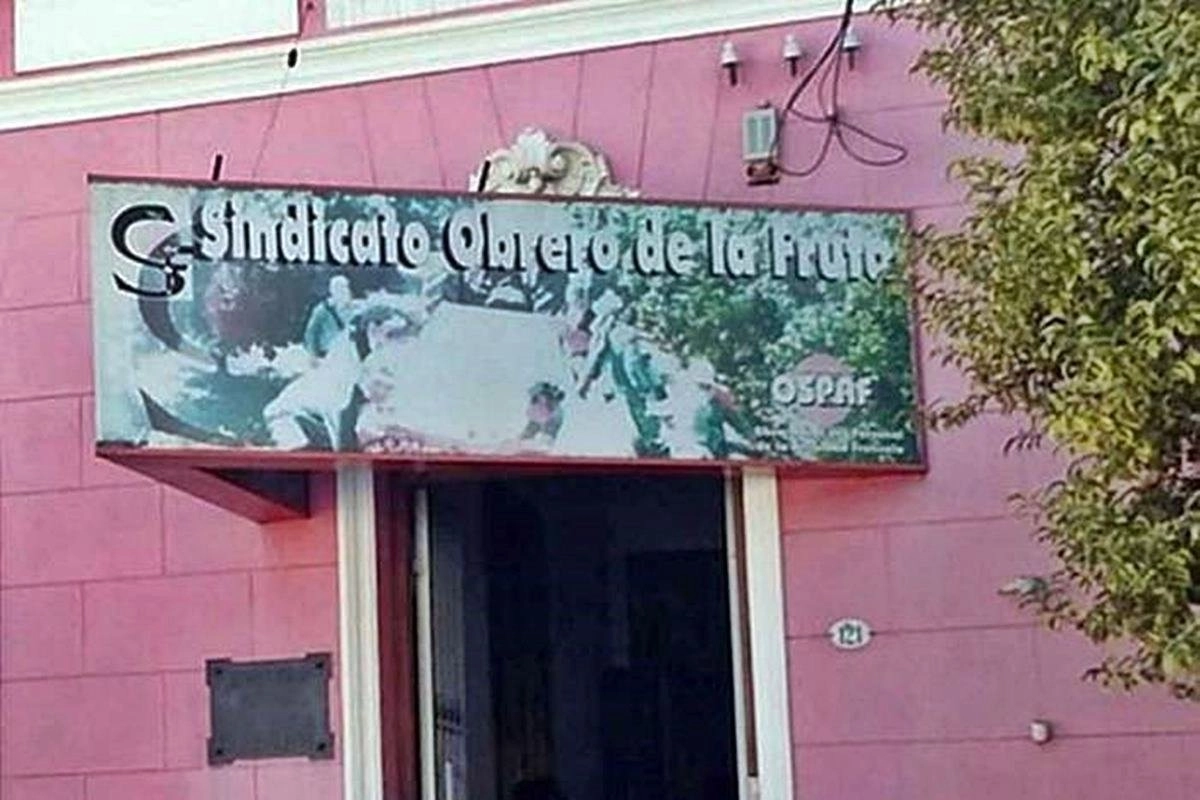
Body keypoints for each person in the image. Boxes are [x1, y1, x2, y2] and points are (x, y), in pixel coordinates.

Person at [303, 275, 354, 361]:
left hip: (347, 354)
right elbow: (311, 333)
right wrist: (313, 354)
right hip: (327, 354)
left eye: (345, 287)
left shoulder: (353, 309)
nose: (344, 291)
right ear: (332, 290)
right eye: (340, 288)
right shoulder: (322, 310)